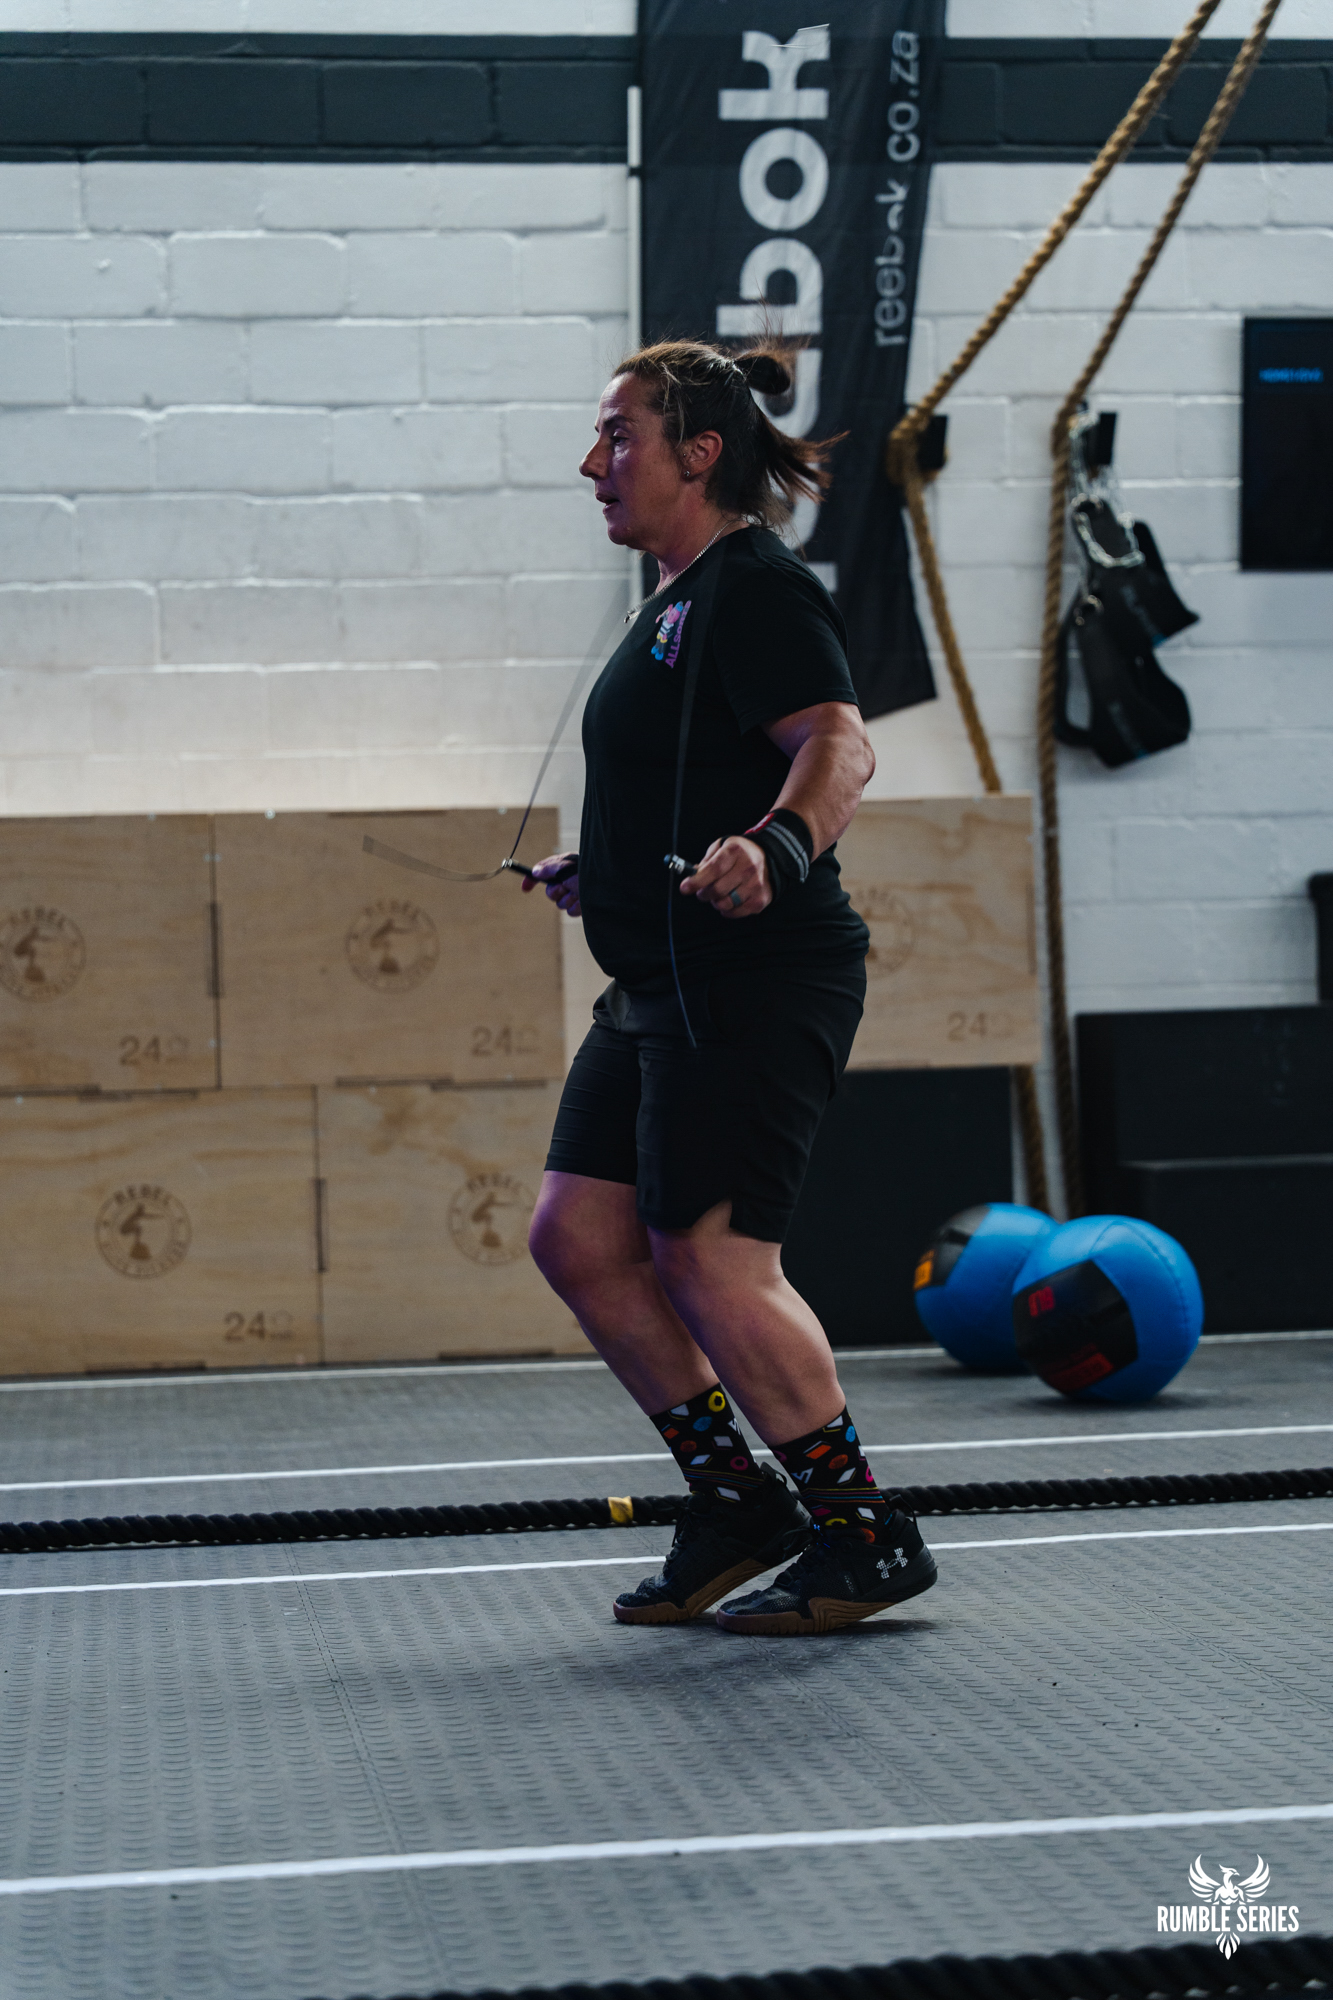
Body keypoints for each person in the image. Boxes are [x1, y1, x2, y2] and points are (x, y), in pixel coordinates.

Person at [523, 339, 937, 1636]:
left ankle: (861, 1534)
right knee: (577, 1237)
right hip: (661, 977)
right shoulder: (674, 598)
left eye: (619, 437)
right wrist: (610, 875)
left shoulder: (754, 586)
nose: (592, 464)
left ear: (700, 452)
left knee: (709, 1254)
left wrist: (775, 846)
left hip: (753, 980)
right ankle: (735, 1501)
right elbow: (689, 771)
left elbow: (838, 744)